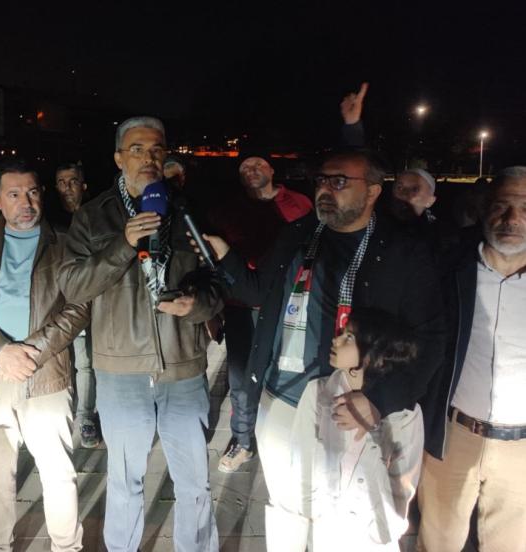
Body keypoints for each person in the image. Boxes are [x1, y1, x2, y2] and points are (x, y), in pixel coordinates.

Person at [201, 148, 444, 552]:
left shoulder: (402, 251)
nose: (325, 189)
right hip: (282, 399)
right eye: (321, 180)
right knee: (286, 510)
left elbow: (431, 339)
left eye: (339, 181)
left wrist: (379, 400)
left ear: (373, 191)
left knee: (347, 526)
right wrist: (224, 256)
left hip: (352, 407)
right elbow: (258, 292)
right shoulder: (299, 234)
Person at [58, 116, 222, 551]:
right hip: (121, 371)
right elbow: (73, 286)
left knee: (195, 484)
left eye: (156, 149)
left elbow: (218, 284)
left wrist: (195, 305)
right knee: (124, 481)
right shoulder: (92, 216)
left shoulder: (187, 210)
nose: (148, 158)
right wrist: (123, 245)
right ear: (118, 158)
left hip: (182, 367)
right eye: (136, 149)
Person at [0, 159, 88, 551]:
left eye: (32, 192)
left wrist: (32, 352)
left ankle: (66, 546)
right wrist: (2, 352)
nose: (25, 203)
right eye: (14, 194)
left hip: (45, 375)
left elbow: (79, 306)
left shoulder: (66, 242)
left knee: (58, 472)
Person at [417, 166, 526, 551]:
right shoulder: (449, 266)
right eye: (501, 206)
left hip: (522, 449)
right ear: (483, 208)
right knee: (437, 542)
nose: (512, 219)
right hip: (453, 434)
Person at [210, 155, 312, 473]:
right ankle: (243, 440)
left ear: (271, 169)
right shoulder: (229, 211)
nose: (251, 171)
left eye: (258, 164)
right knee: (240, 377)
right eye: (244, 167)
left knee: (282, 371)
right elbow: (215, 264)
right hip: (240, 306)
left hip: (284, 305)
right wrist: (213, 309)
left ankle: (278, 431)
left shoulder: (300, 204)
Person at [290, 309, 423, 551]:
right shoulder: (318, 393)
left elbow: (402, 488)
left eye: (349, 337)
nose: (336, 340)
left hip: (371, 541)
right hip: (326, 534)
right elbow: (301, 461)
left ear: (376, 355)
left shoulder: (405, 415)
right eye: (342, 333)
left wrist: (374, 429)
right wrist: (315, 514)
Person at [52, 162, 98, 447]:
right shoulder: (49, 220)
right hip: (57, 304)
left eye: (72, 181)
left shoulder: (96, 217)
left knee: (85, 363)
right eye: (61, 182)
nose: (67, 187)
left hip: (88, 301)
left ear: (83, 185)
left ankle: (85, 417)